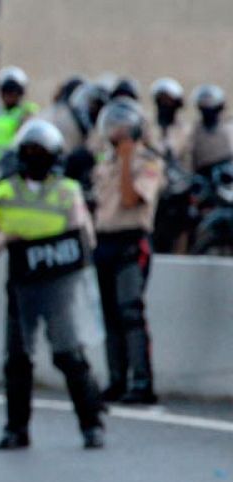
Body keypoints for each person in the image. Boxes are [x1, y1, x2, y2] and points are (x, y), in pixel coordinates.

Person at [0, 120, 105, 450]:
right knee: (17, 358)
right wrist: (5, 238)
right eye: (29, 152)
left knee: (68, 354)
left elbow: (84, 235)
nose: (34, 158)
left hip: (58, 285)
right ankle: (16, 428)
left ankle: (92, 424)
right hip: (21, 285)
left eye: (41, 153)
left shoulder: (67, 192)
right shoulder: (5, 192)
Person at [90, 101, 164, 406]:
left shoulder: (146, 163)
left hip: (132, 242)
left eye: (121, 126)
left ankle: (142, 382)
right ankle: (116, 379)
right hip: (104, 242)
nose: (115, 132)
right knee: (109, 315)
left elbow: (132, 199)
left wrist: (126, 159)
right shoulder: (103, 163)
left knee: (130, 311)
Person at [0, 66, 40, 173]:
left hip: (11, 166)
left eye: (15, 90)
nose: (11, 94)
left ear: (21, 92)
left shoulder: (26, 112)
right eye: (7, 90)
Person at [179, 84, 233, 177]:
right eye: (204, 107)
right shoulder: (194, 131)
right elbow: (187, 158)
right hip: (202, 177)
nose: (208, 111)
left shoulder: (228, 128)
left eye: (211, 106)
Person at [151, 77, 191, 167]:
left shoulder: (186, 132)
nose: (164, 105)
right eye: (161, 100)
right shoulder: (147, 129)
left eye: (168, 101)